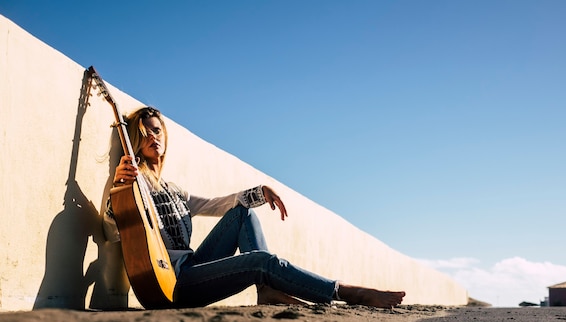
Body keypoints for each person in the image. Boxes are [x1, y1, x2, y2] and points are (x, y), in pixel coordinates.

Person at [103, 106, 405, 309]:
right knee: (260, 261)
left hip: (194, 268)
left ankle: (267, 292)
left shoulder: (173, 189)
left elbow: (216, 205)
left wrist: (257, 192)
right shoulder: (131, 184)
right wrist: (119, 188)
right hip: (172, 282)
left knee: (242, 212)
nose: (153, 136)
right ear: (135, 139)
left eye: (157, 130)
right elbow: (110, 231)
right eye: (145, 132)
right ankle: (348, 292)